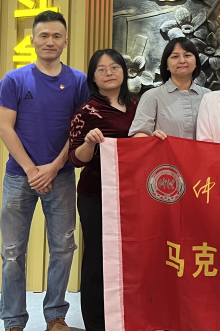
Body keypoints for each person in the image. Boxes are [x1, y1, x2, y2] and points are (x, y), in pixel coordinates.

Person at [0, 10, 88, 331]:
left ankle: (55, 317)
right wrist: (32, 170)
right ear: (32, 40)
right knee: (12, 253)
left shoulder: (78, 81)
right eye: (44, 35)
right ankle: (13, 322)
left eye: (57, 36)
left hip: (61, 176)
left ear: (66, 41)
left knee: (63, 248)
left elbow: (78, 130)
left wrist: (54, 167)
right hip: (19, 177)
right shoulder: (14, 80)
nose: (50, 41)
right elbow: (5, 128)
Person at [68, 50, 137, 331]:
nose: (109, 73)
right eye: (101, 69)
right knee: (98, 260)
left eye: (114, 67)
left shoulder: (137, 105)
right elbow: (75, 159)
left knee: (130, 258)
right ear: (93, 78)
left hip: (132, 196)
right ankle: (96, 324)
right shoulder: (87, 111)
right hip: (97, 196)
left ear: (124, 71)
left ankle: (127, 319)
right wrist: (89, 142)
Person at [129, 37, 209, 140]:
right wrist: (151, 139)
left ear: (196, 62)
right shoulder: (152, 96)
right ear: (166, 65)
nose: (182, 60)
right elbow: (138, 135)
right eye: (175, 56)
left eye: (187, 55)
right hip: (164, 151)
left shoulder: (209, 96)